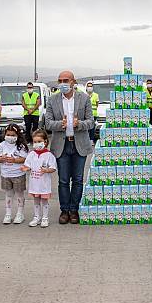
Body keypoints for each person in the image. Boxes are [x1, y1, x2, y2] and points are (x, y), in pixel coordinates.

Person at [44, 70, 94, 224]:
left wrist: (79, 124)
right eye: (60, 81)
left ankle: (74, 210)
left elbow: (91, 121)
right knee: (63, 180)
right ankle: (64, 210)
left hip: (79, 144)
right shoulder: (52, 100)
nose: (63, 84)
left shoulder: (84, 98)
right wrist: (61, 124)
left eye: (66, 80)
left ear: (73, 82)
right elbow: (48, 123)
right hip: (61, 145)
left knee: (78, 180)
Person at [21, 129, 57, 228]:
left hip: (44, 184)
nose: (37, 144)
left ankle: (45, 218)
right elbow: (27, 165)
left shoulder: (49, 155)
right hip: (34, 183)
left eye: (39, 142)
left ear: (45, 142)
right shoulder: (31, 154)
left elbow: (53, 168)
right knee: (36, 201)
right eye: (35, 142)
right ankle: (36, 217)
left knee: (44, 201)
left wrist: (46, 170)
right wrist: (25, 168)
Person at [0, 124, 29, 224]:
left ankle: (20, 214)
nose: (10, 137)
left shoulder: (21, 146)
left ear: (18, 135)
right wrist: (2, 158)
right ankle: (8, 214)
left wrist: (14, 160)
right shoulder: (2, 145)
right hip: (6, 174)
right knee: (8, 194)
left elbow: (24, 159)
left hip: (18, 174)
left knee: (19, 194)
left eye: (13, 135)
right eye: (8, 134)